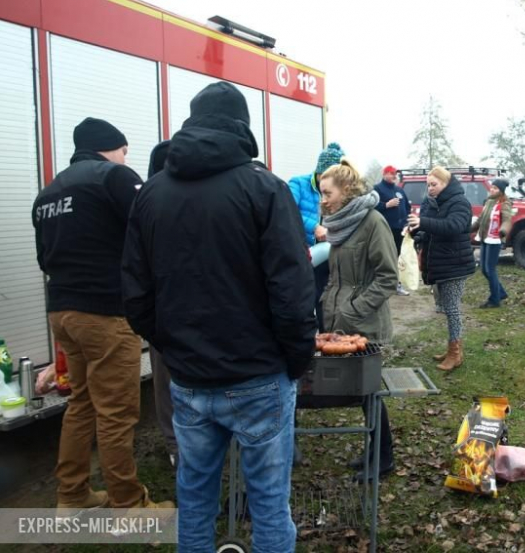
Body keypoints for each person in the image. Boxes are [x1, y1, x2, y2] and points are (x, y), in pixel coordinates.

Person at [122, 82, 316, 552]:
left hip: (190, 380)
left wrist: (173, 346)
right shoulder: (263, 188)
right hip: (260, 377)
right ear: (242, 128)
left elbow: (135, 294)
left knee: (194, 498)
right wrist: (295, 361)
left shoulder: (151, 194)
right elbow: (292, 292)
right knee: (270, 504)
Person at [32, 117, 171, 510]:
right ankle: (129, 505)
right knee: (117, 410)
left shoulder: (48, 193)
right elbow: (151, 227)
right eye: (124, 150)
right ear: (109, 147)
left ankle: (72, 495)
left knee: (82, 402)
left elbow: (44, 258)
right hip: (106, 312)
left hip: (62, 311)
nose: (126, 157)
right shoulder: (114, 177)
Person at [319, 161, 398, 482]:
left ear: (347, 190)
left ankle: (383, 458)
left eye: (328, 193)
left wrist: (352, 310)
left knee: (369, 392)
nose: (323, 200)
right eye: (321, 193)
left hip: (366, 324)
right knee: (364, 393)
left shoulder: (372, 223)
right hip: (341, 323)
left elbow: (387, 277)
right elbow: (336, 276)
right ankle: (375, 450)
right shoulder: (341, 225)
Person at [408, 166, 476, 372]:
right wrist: (415, 234)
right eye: (428, 185)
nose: (430, 189)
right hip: (440, 263)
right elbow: (429, 232)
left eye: (434, 184)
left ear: (445, 184)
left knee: (452, 308)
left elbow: (452, 226)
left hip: (456, 264)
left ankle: (455, 353)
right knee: (446, 308)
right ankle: (452, 348)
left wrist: (423, 222)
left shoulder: (460, 203)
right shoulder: (431, 203)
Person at [288, 142, 346, 329]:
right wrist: (314, 227)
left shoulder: (340, 191)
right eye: (326, 177)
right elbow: (287, 210)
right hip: (305, 252)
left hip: (330, 251)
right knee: (306, 297)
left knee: (326, 297)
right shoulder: (298, 184)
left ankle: (326, 336)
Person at [145, 140, 178, 470]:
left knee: (165, 378)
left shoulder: (146, 200)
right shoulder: (154, 201)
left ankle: (175, 444)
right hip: (167, 308)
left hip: (160, 311)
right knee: (169, 379)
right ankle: (175, 444)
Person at [471, 179, 511, 308]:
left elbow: (507, 219)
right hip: (484, 238)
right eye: (492, 187)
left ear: (501, 191)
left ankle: (494, 300)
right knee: (484, 269)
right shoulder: (489, 201)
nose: (492, 190)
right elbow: (481, 220)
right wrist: (468, 229)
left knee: (490, 269)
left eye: (495, 188)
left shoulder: (504, 203)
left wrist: (503, 230)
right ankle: (501, 293)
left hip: (495, 239)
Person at [373, 165, 412, 295]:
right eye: (391, 173)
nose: (394, 176)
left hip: (400, 229)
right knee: (385, 257)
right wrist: (386, 205)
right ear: (384, 174)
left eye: (395, 173)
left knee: (398, 257)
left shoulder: (399, 190)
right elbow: (371, 206)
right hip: (385, 229)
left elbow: (407, 207)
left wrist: (407, 223)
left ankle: (397, 285)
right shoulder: (377, 189)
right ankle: (383, 284)